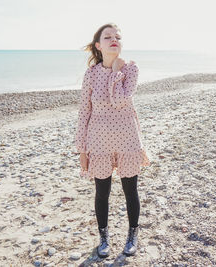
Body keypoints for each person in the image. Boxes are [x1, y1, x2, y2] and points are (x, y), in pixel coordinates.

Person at [74, 23, 150, 258]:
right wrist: (82, 150)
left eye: (117, 36)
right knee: (102, 192)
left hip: (127, 139)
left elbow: (119, 100)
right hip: (98, 141)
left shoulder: (131, 69)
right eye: (108, 37)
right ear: (98, 45)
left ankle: (132, 235)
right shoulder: (91, 74)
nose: (114, 39)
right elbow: (84, 111)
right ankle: (104, 237)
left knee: (130, 190)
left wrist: (117, 71)